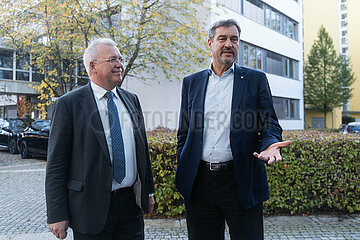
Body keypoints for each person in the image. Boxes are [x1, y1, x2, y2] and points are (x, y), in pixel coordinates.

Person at [175, 19, 291, 240]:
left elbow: (270, 123)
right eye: (222, 38)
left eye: (234, 39)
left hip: (241, 180)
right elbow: (184, 131)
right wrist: (183, 161)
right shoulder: (192, 82)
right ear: (210, 43)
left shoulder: (255, 80)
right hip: (199, 183)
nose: (229, 44)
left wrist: (269, 145)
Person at [45, 38, 155, 240]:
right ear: (92, 66)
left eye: (120, 59)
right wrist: (57, 214)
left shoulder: (131, 99)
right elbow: (56, 165)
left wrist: (148, 192)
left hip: (131, 206)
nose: (120, 65)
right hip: (90, 210)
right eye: (112, 60)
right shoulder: (68, 105)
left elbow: (142, 151)